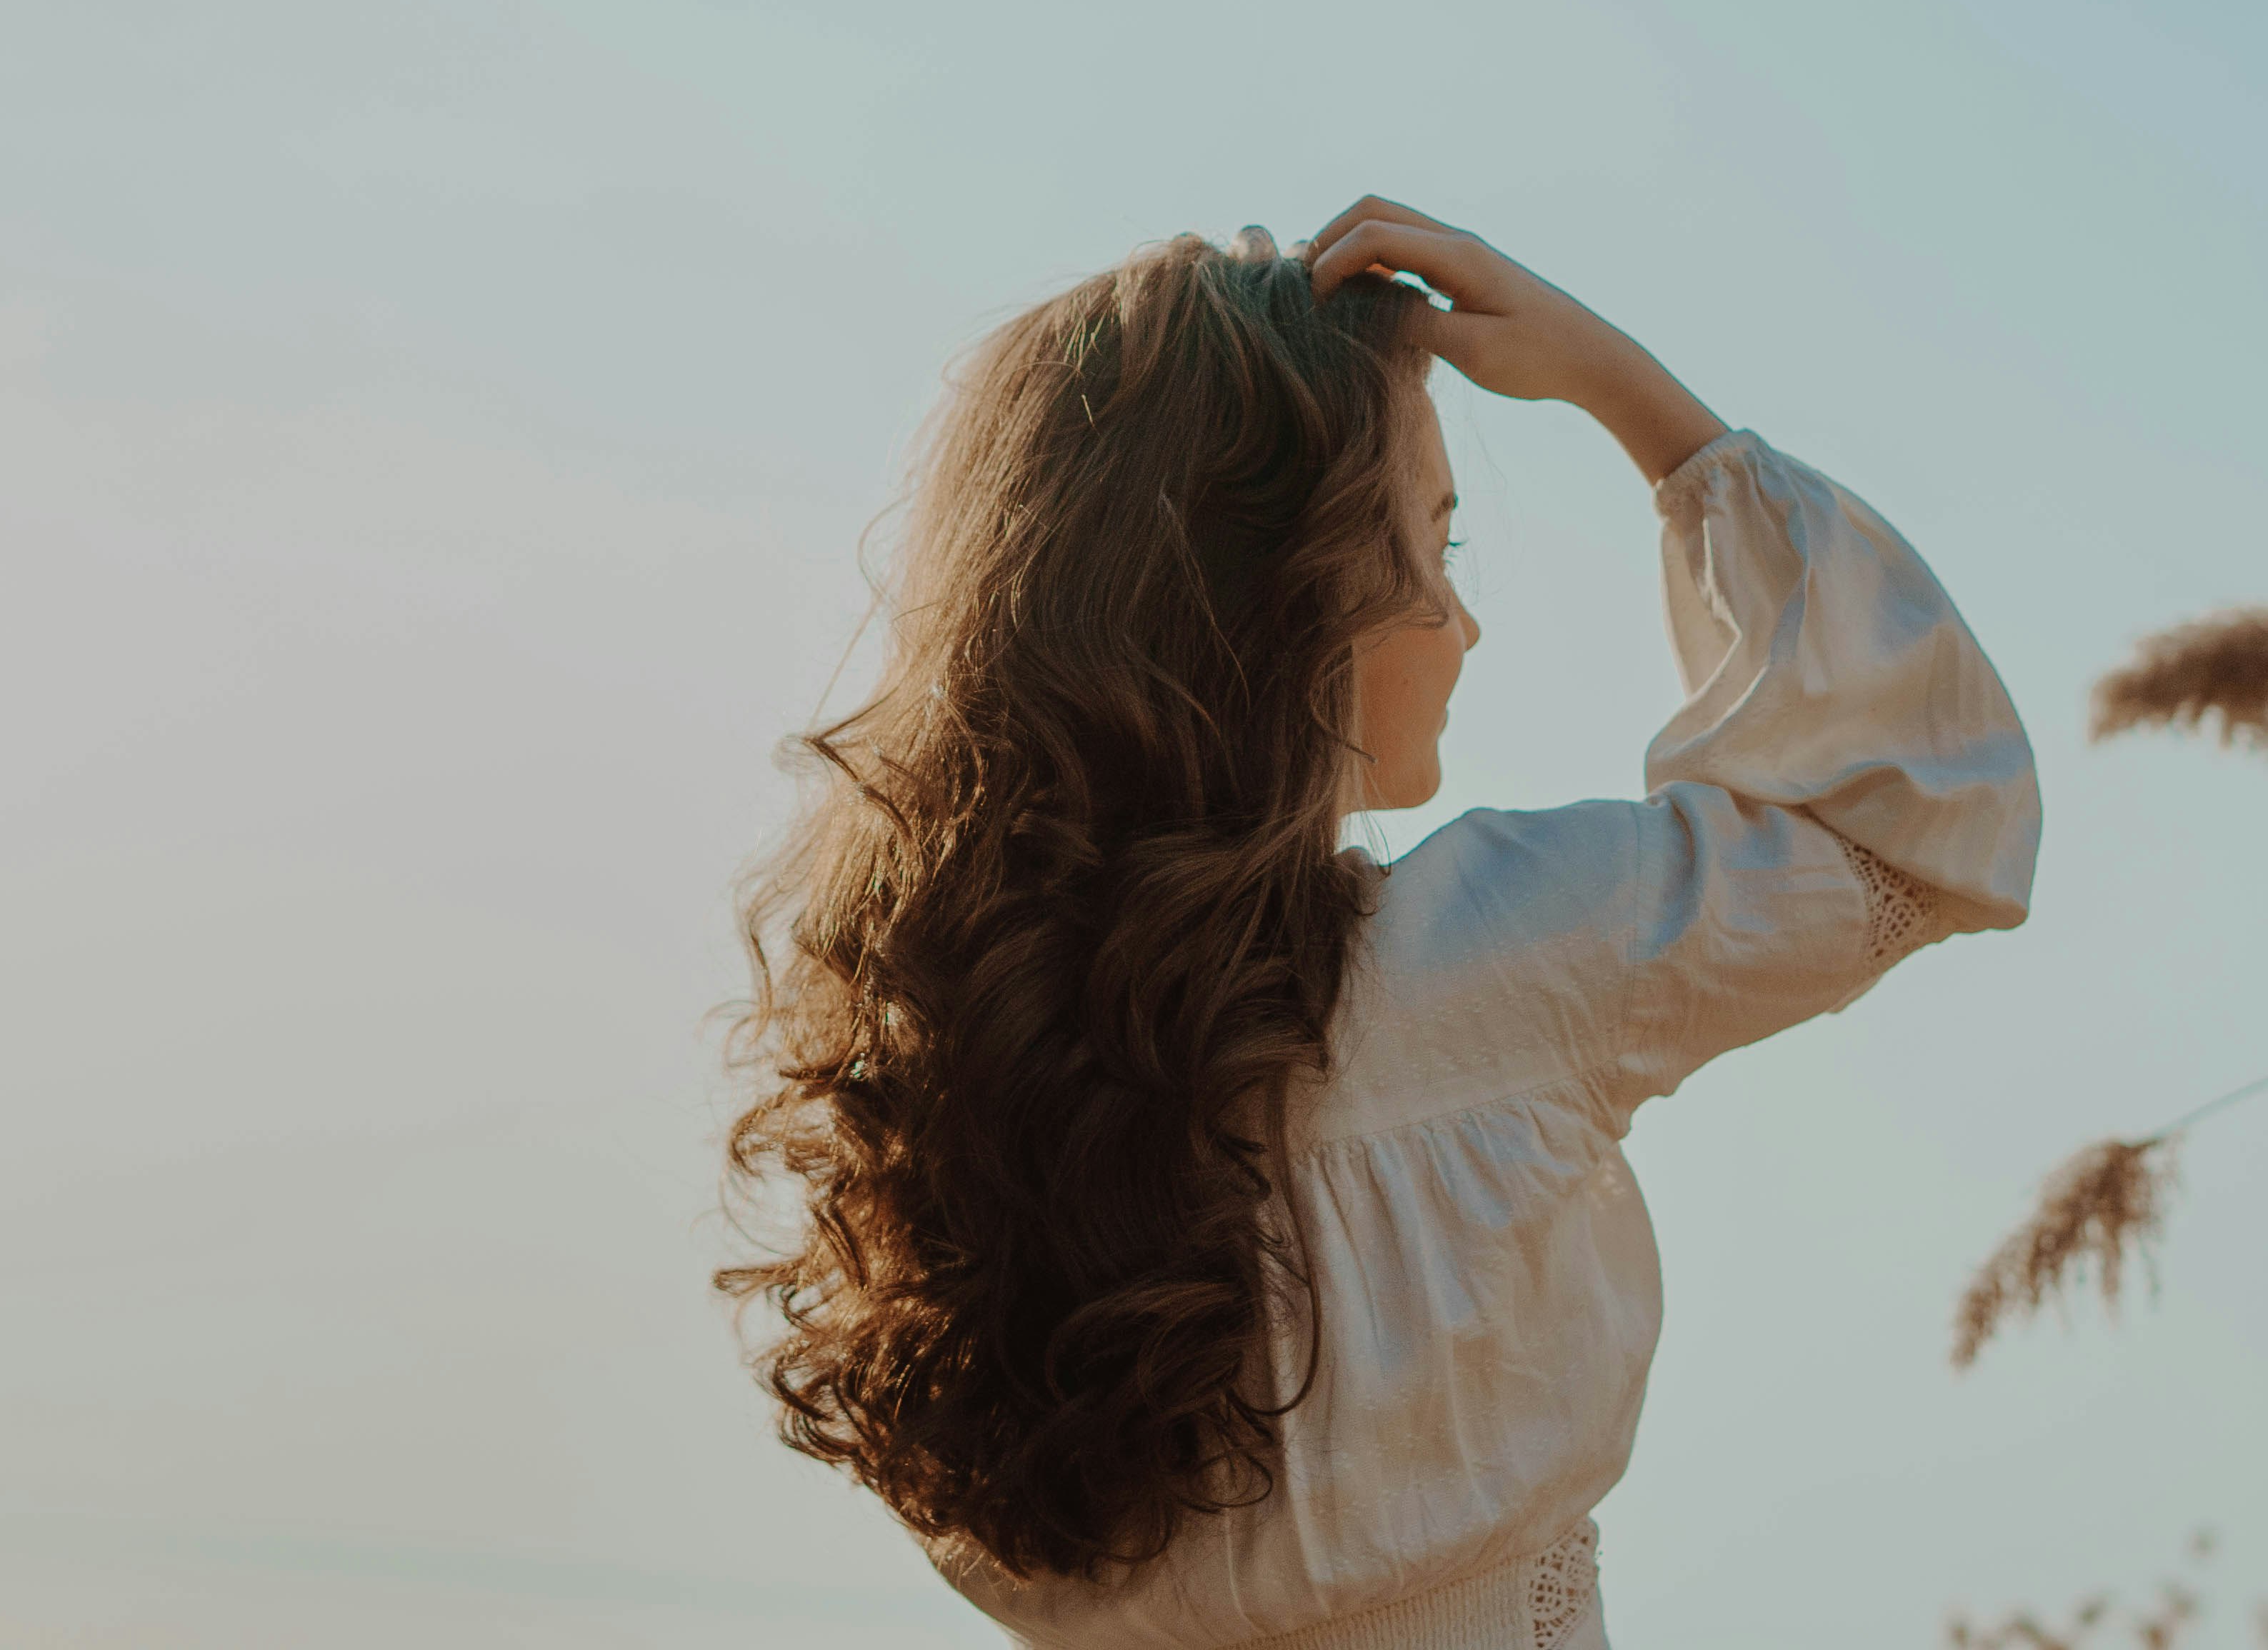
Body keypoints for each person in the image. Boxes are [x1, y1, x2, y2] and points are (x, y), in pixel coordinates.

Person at [724, 199, 2040, 1649]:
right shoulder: (1490, 956)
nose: (1464, 622)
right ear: (1290, 595)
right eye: (1435, 540)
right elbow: (1914, 810)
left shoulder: (953, 1097)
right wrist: (1636, 395)